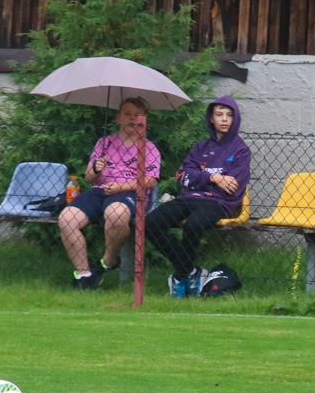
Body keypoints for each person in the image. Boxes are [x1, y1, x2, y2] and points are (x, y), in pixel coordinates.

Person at [145, 95, 251, 298]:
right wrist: (213, 177)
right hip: (189, 197)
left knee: (193, 225)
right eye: (219, 114)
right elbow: (182, 177)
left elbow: (232, 187)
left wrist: (201, 179)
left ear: (235, 119)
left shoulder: (241, 150)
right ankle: (190, 271)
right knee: (151, 223)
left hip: (218, 202)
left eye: (229, 115)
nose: (224, 119)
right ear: (211, 118)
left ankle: (182, 275)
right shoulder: (200, 147)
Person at [58, 97, 160, 290]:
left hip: (129, 192)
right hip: (100, 190)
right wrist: (96, 169)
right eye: (128, 114)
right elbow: (89, 177)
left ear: (144, 119)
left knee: (115, 214)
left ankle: (108, 261)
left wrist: (120, 187)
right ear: (118, 117)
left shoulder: (150, 148)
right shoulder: (104, 143)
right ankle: (84, 275)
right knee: (67, 218)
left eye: (137, 115)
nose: (132, 119)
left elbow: (150, 181)